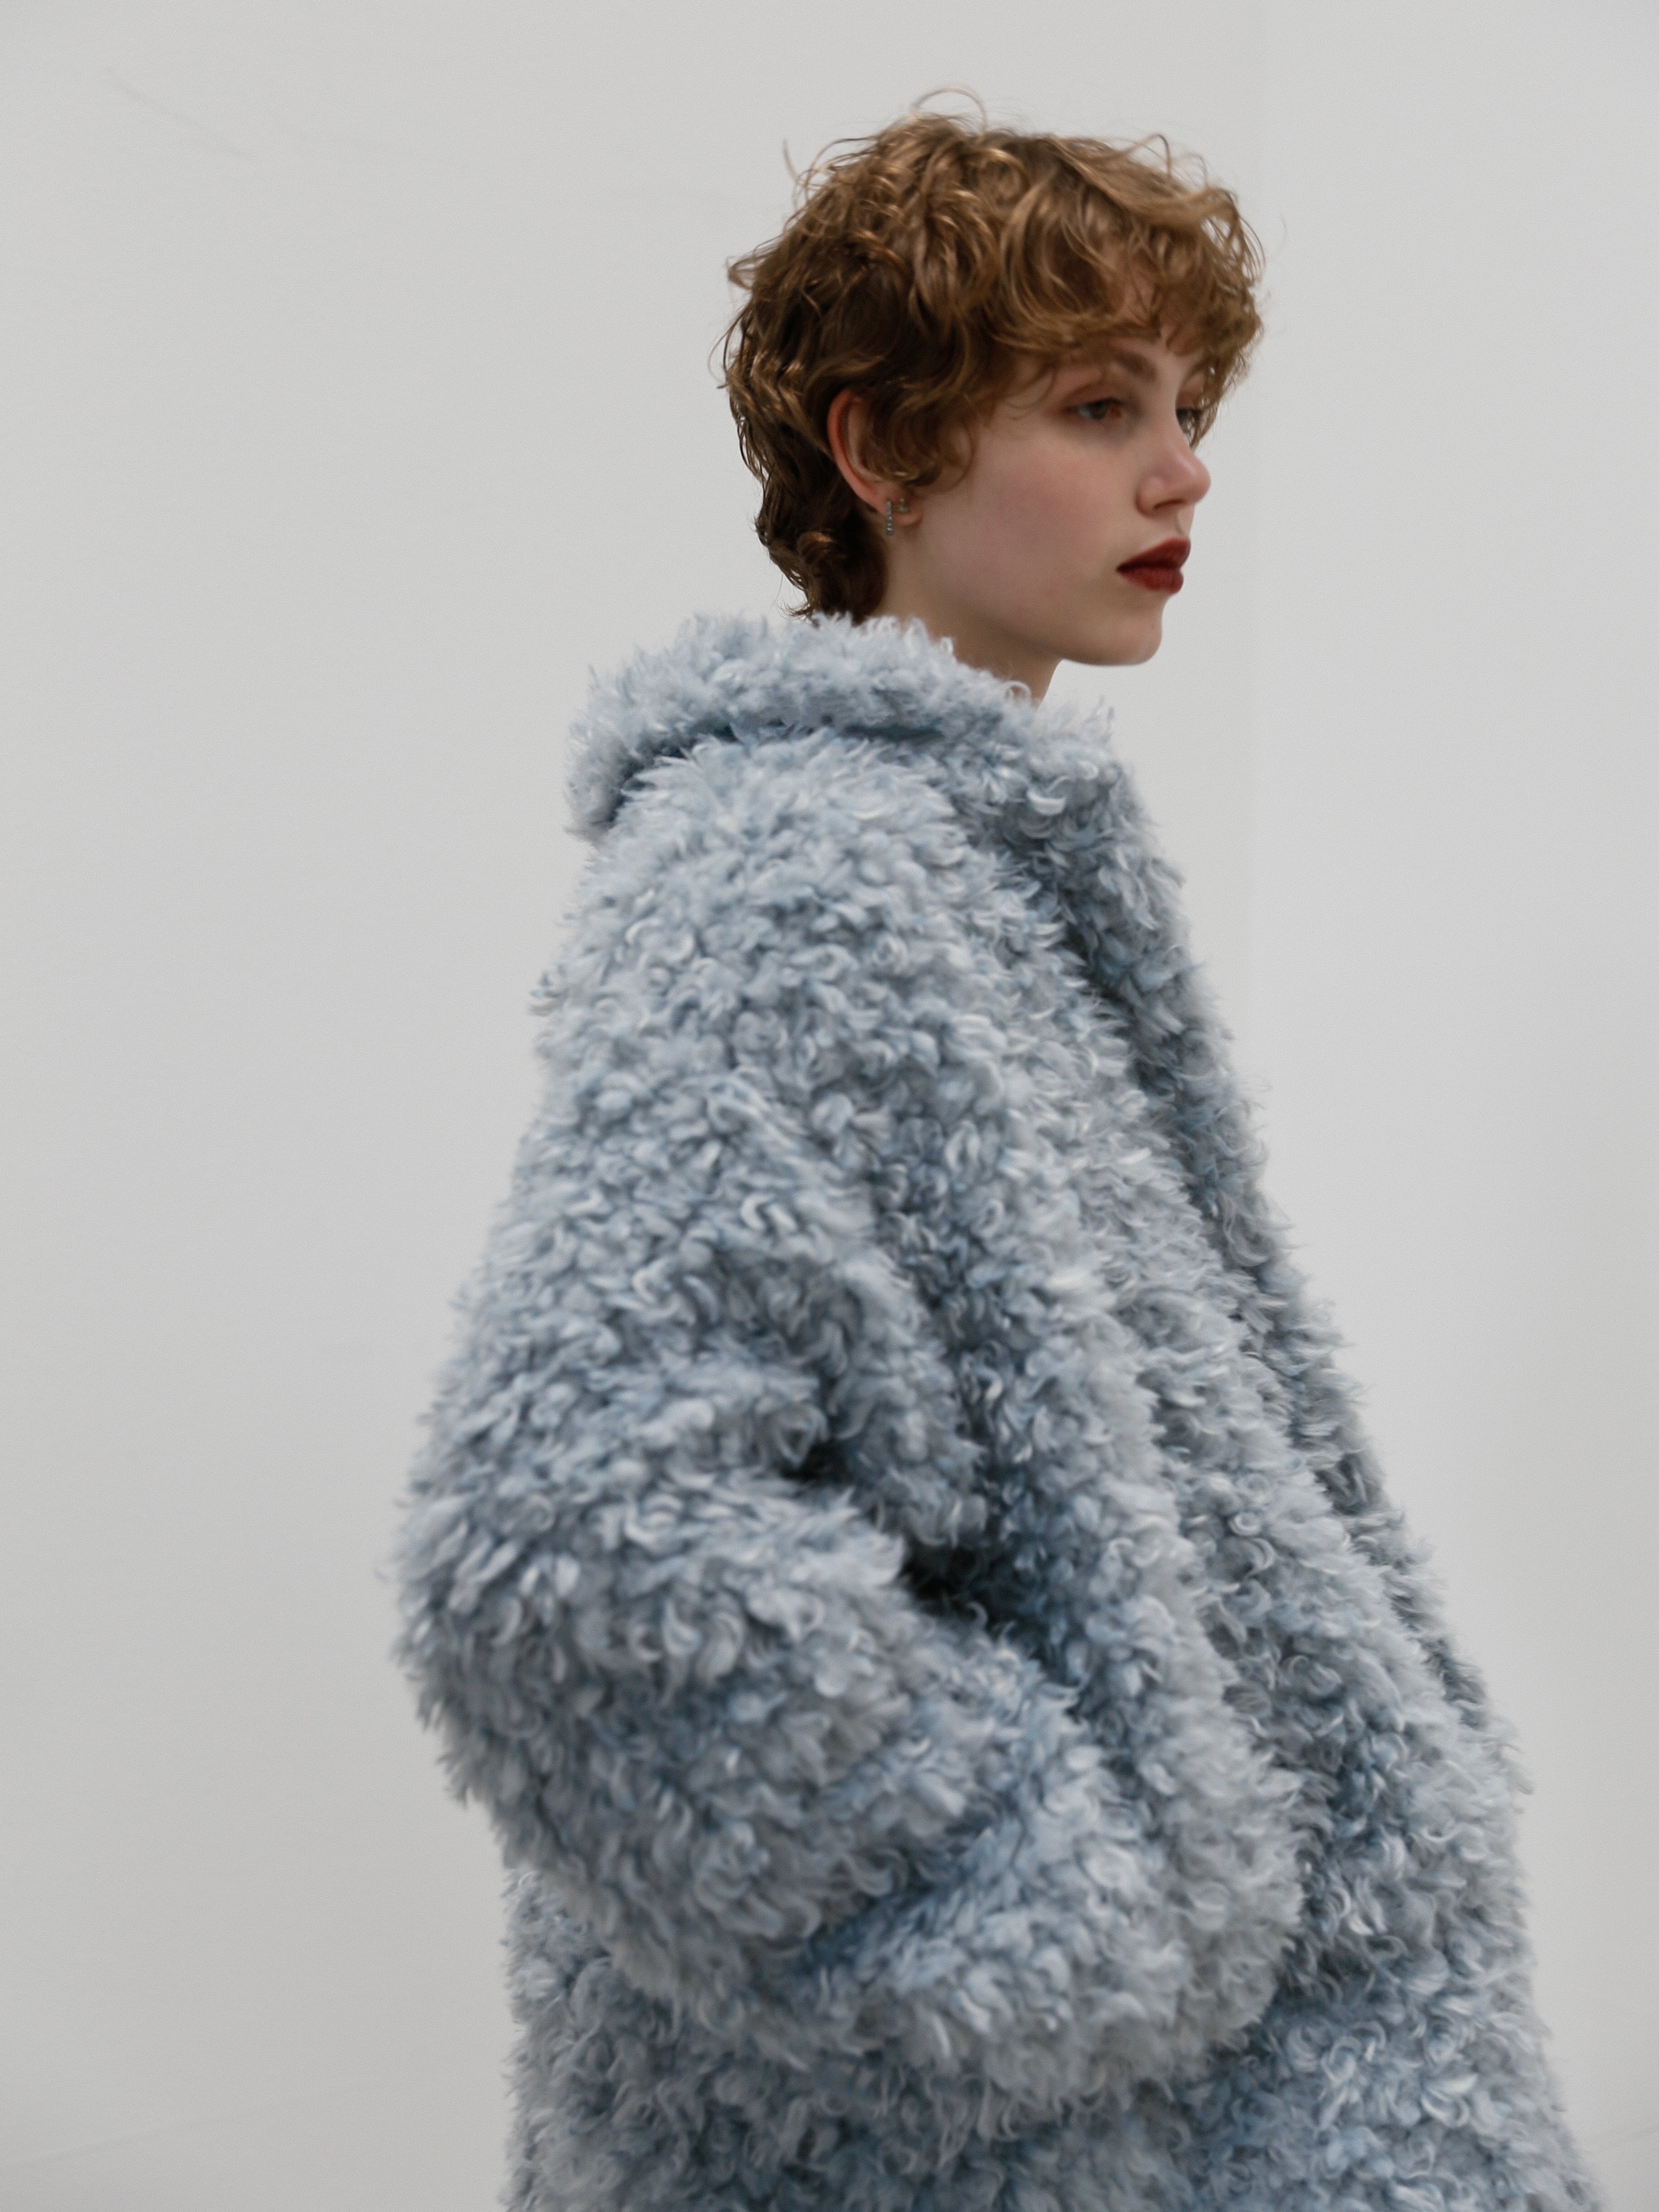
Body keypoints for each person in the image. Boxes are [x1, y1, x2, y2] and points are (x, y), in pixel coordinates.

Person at [395, 110, 1600, 2212]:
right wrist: (1056, 1906)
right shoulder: (795, 875)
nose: (1184, 471)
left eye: (1193, 407)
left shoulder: (973, 866)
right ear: (878, 447)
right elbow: (569, 1547)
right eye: (1099, 405)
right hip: (1038, 2136)